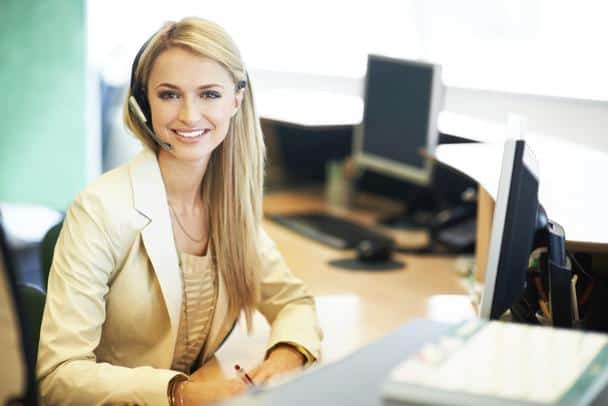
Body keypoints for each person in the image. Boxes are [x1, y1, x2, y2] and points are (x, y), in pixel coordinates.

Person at [36, 17, 322, 405]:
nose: (189, 115)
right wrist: (181, 392)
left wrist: (285, 357)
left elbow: (292, 301)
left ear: (236, 100)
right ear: (144, 103)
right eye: (169, 95)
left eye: (209, 94)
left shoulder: (227, 206)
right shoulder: (101, 209)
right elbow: (59, 375)